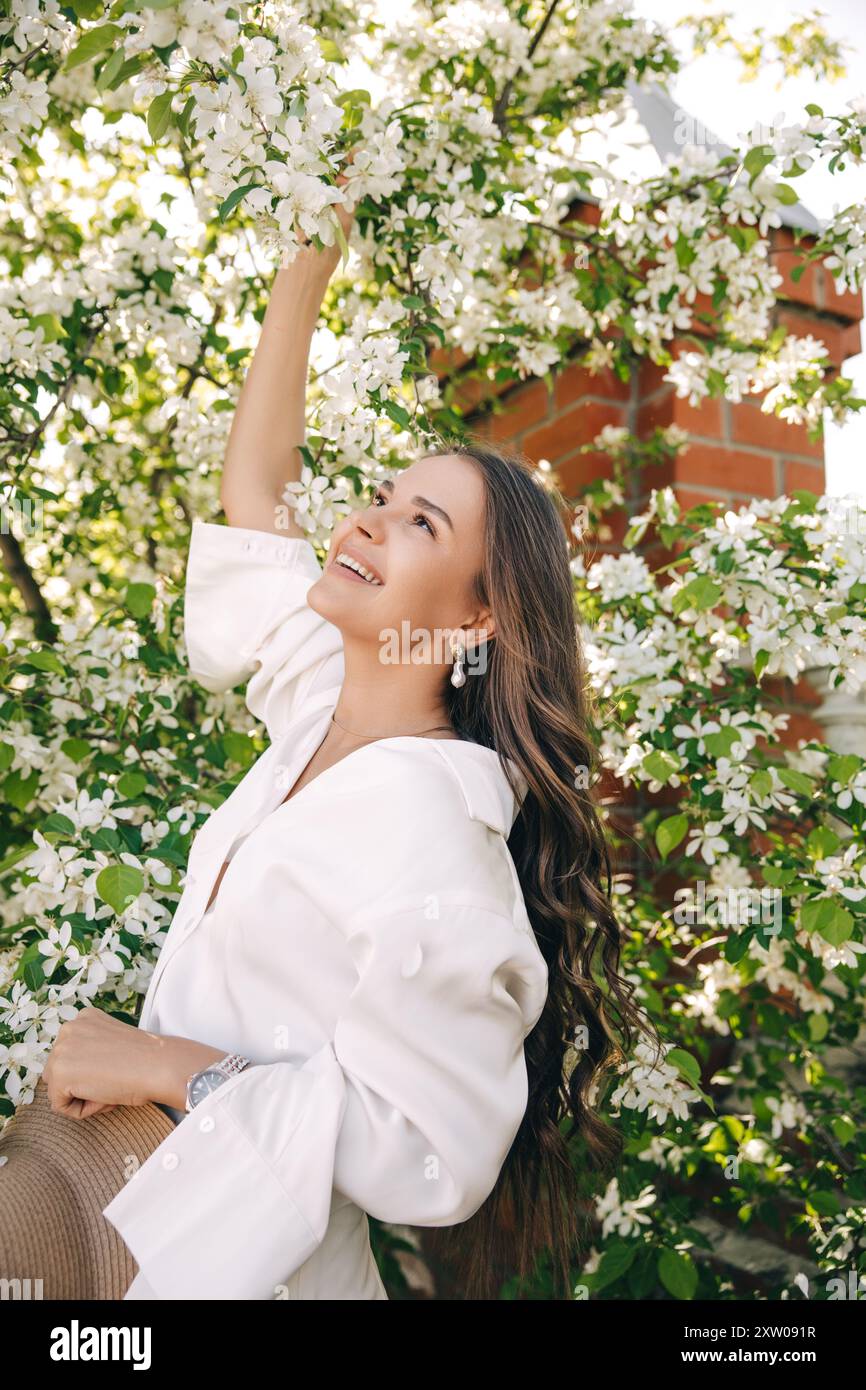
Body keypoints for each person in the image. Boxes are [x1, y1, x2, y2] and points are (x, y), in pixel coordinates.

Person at [42, 159, 652, 1301]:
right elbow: (258, 502)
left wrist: (167, 1064)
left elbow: (426, 1145)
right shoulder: (322, 699)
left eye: (419, 522)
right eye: (380, 494)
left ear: (477, 615)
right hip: (143, 1238)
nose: (367, 519)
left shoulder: (432, 826)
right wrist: (303, 271)